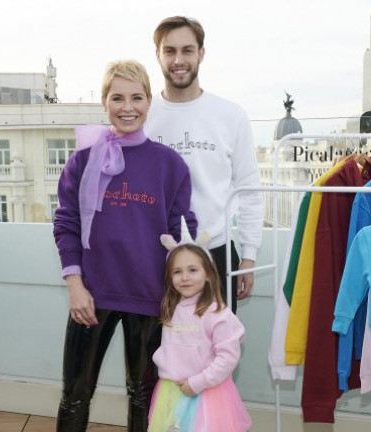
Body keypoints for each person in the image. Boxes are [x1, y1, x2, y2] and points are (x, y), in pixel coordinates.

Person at [53, 59, 196, 432]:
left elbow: (182, 233)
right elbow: (67, 223)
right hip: (91, 297)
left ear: (149, 101)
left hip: (150, 296)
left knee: (144, 396)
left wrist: (184, 291)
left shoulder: (171, 165)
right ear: (104, 102)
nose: (127, 107)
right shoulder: (83, 159)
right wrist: (75, 285)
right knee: (75, 393)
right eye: (117, 97)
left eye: (136, 97)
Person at [144, 16, 264, 312]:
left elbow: (249, 190)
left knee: (219, 352)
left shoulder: (230, 115)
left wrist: (248, 258)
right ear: (158, 55)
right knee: (159, 354)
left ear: (201, 53)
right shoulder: (142, 115)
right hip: (157, 257)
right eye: (169, 51)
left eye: (187, 50)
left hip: (217, 255)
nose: (178, 59)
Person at [148, 231, 251, 431]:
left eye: (193, 270)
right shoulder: (172, 308)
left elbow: (228, 357)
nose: (184, 277)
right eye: (177, 272)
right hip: (171, 390)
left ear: (208, 274)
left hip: (206, 394)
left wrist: (197, 383)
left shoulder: (218, 313)